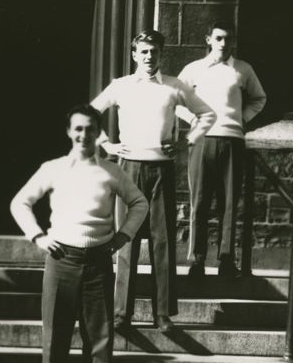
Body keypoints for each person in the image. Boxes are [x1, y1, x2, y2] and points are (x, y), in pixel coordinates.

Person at [9, 105, 148, 363]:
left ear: (98, 132)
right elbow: (20, 202)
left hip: (98, 262)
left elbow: (139, 202)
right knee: (55, 337)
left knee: (99, 340)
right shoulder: (53, 168)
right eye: (78, 129)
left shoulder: (111, 171)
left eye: (90, 129)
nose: (84, 135)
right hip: (61, 262)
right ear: (70, 132)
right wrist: (38, 236)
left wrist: (123, 235)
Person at [91, 30, 215, 333]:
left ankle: (162, 313)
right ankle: (121, 312)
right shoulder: (121, 86)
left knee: (162, 241)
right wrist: (106, 145)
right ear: (135, 55)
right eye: (144, 52)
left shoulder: (174, 86)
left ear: (161, 54)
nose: (149, 57)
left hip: (161, 169)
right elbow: (89, 112)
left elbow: (207, 114)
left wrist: (187, 141)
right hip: (128, 168)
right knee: (125, 239)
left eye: (154, 52)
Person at [177, 22, 267, 279]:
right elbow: (175, 99)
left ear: (233, 41)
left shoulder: (242, 70)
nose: (223, 43)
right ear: (209, 40)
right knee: (200, 202)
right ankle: (197, 260)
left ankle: (226, 260)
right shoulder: (194, 69)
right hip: (202, 140)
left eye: (228, 39)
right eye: (218, 38)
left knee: (229, 203)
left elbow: (260, 98)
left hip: (232, 141)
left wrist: (242, 119)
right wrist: (191, 119)